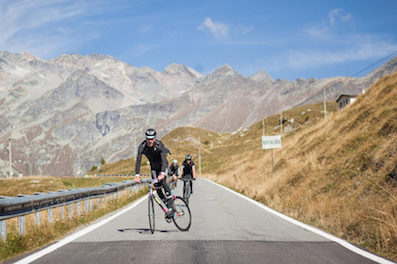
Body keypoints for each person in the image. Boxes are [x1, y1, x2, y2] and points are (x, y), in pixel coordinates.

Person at [134, 128, 175, 218]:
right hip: (153, 167)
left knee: (163, 182)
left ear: (155, 138)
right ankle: (167, 207)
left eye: (152, 138)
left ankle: (172, 204)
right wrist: (137, 175)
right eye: (148, 138)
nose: (150, 141)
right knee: (156, 186)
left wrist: (163, 173)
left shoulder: (159, 145)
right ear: (145, 138)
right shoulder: (142, 146)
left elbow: (164, 160)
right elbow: (138, 161)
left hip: (162, 166)